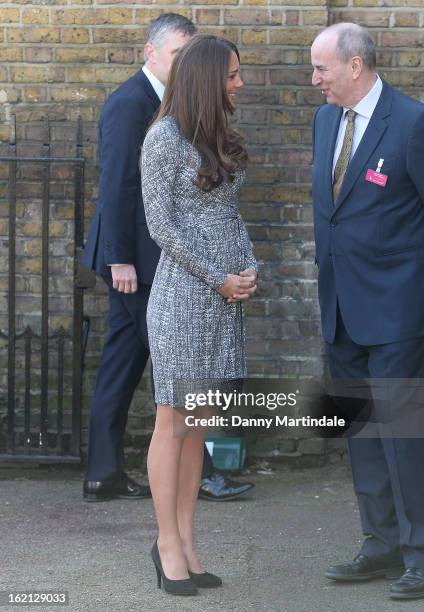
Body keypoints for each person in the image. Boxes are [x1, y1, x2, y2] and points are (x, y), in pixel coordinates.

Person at [82, 14, 254, 503]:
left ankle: (114, 471)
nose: (182, 64)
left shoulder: (183, 110)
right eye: (177, 54)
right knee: (165, 373)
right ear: (151, 52)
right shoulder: (130, 104)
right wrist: (119, 260)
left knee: (144, 364)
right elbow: (116, 184)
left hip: (168, 261)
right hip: (138, 262)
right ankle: (187, 473)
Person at [311, 23, 424, 601]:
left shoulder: (412, 122)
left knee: (404, 435)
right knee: (359, 432)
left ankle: (419, 554)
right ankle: (378, 544)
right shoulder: (324, 120)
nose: (315, 80)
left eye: (321, 69)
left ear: (355, 66)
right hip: (339, 310)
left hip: (397, 313)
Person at [141, 35, 257, 595]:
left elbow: (229, 216)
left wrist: (249, 267)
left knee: (199, 428)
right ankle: (165, 545)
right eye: (232, 75)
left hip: (224, 301)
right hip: (184, 300)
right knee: (174, 422)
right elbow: (163, 228)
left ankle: (188, 542)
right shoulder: (163, 138)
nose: (239, 83)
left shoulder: (219, 135)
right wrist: (219, 277)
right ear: (209, 79)